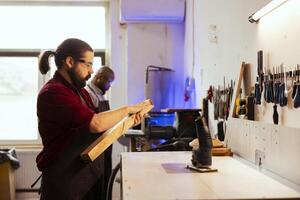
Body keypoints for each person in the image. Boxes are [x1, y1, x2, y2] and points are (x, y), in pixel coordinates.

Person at [36, 38, 145, 200]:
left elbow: (101, 125)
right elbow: (95, 123)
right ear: (70, 62)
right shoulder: (54, 92)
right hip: (65, 181)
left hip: (85, 176)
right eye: (88, 64)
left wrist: (128, 121)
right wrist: (128, 109)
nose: (92, 71)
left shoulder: (80, 92)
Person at [85, 66, 115, 200]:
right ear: (99, 77)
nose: (109, 86)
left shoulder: (100, 95)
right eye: (109, 82)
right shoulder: (88, 95)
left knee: (104, 184)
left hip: (105, 147)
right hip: (95, 147)